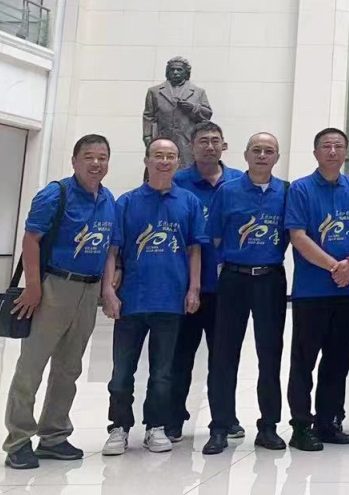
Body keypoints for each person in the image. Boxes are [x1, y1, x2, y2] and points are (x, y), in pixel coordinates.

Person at [3, 135, 116, 470]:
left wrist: (106, 289)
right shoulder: (56, 194)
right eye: (89, 156)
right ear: (74, 160)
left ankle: (53, 435)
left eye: (102, 157)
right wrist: (33, 287)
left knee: (69, 367)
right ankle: (18, 440)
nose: (96, 163)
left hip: (88, 291)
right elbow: (31, 239)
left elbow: (109, 247)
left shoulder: (108, 198)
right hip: (54, 286)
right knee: (31, 366)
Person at [101, 139, 207, 456]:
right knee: (122, 372)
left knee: (163, 372)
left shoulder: (188, 202)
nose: (164, 161)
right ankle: (119, 427)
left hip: (170, 301)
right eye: (158, 155)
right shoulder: (127, 202)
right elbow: (113, 250)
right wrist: (108, 291)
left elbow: (194, 250)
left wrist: (194, 289)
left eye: (170, 156)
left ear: (178, 162)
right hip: (131, 301)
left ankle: (156, 426)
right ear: (147, 160)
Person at [284, 128, 349, 451]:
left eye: (338, 146)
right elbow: (298, 236)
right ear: (316, 152)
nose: (333, 151)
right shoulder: (300, 188)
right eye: (326, 146)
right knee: (304, 361)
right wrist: (335, 266)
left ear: (345, 152)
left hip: (348, 291)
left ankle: (328, 421)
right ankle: (300, 426)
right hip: (312, 291)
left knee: (338, 360)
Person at [202, 133, 291, 455]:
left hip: (270, 279)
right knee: (224, 355)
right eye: (257, 150)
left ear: (277, 157)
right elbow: (214, 237)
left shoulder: (287, 192)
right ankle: (220, 426)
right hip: (234, 279)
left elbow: (290, 235)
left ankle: (268, 426)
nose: (262, 155)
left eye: (269, 151)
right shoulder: (227, 191)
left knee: (270, 355)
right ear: (245, 154)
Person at [168, 122, 243, 443]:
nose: (210, 146)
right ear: (192, 145)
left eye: (215, 141)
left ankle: (225, 418)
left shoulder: (239, 181)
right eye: (203, 141)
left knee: (224, 358)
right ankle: (173, 417)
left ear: (224, 145)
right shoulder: (177, 182)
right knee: (180, 356)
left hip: (229, 288)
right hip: (186, 287)